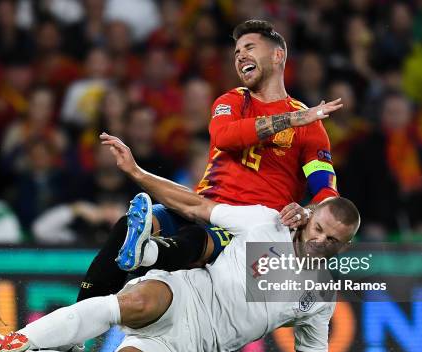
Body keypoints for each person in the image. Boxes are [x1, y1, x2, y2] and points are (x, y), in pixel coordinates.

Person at [0, 135, 417, 352]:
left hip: (193, 347)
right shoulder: (268, 224)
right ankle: (25, 334)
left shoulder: (321, 293)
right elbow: (198, 206)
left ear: (346, 247)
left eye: (335, 242)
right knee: (137, 301)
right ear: (309, 219)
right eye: (319, 230)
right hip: (187, 294)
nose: (322, 243)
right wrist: (139, 173)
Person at [76, 20, 343, 301]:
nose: (240, 56)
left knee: (192, 243)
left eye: (250, 47)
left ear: (277, 56)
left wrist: (308, 213)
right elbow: (226, 137)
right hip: (204, 209)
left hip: (252, 230)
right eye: (237, 51)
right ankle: (80, 318)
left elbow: (326, 192)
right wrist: (290, 119)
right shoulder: (231, 102)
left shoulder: (309, 126)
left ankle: (147, 254)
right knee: (128, 226)